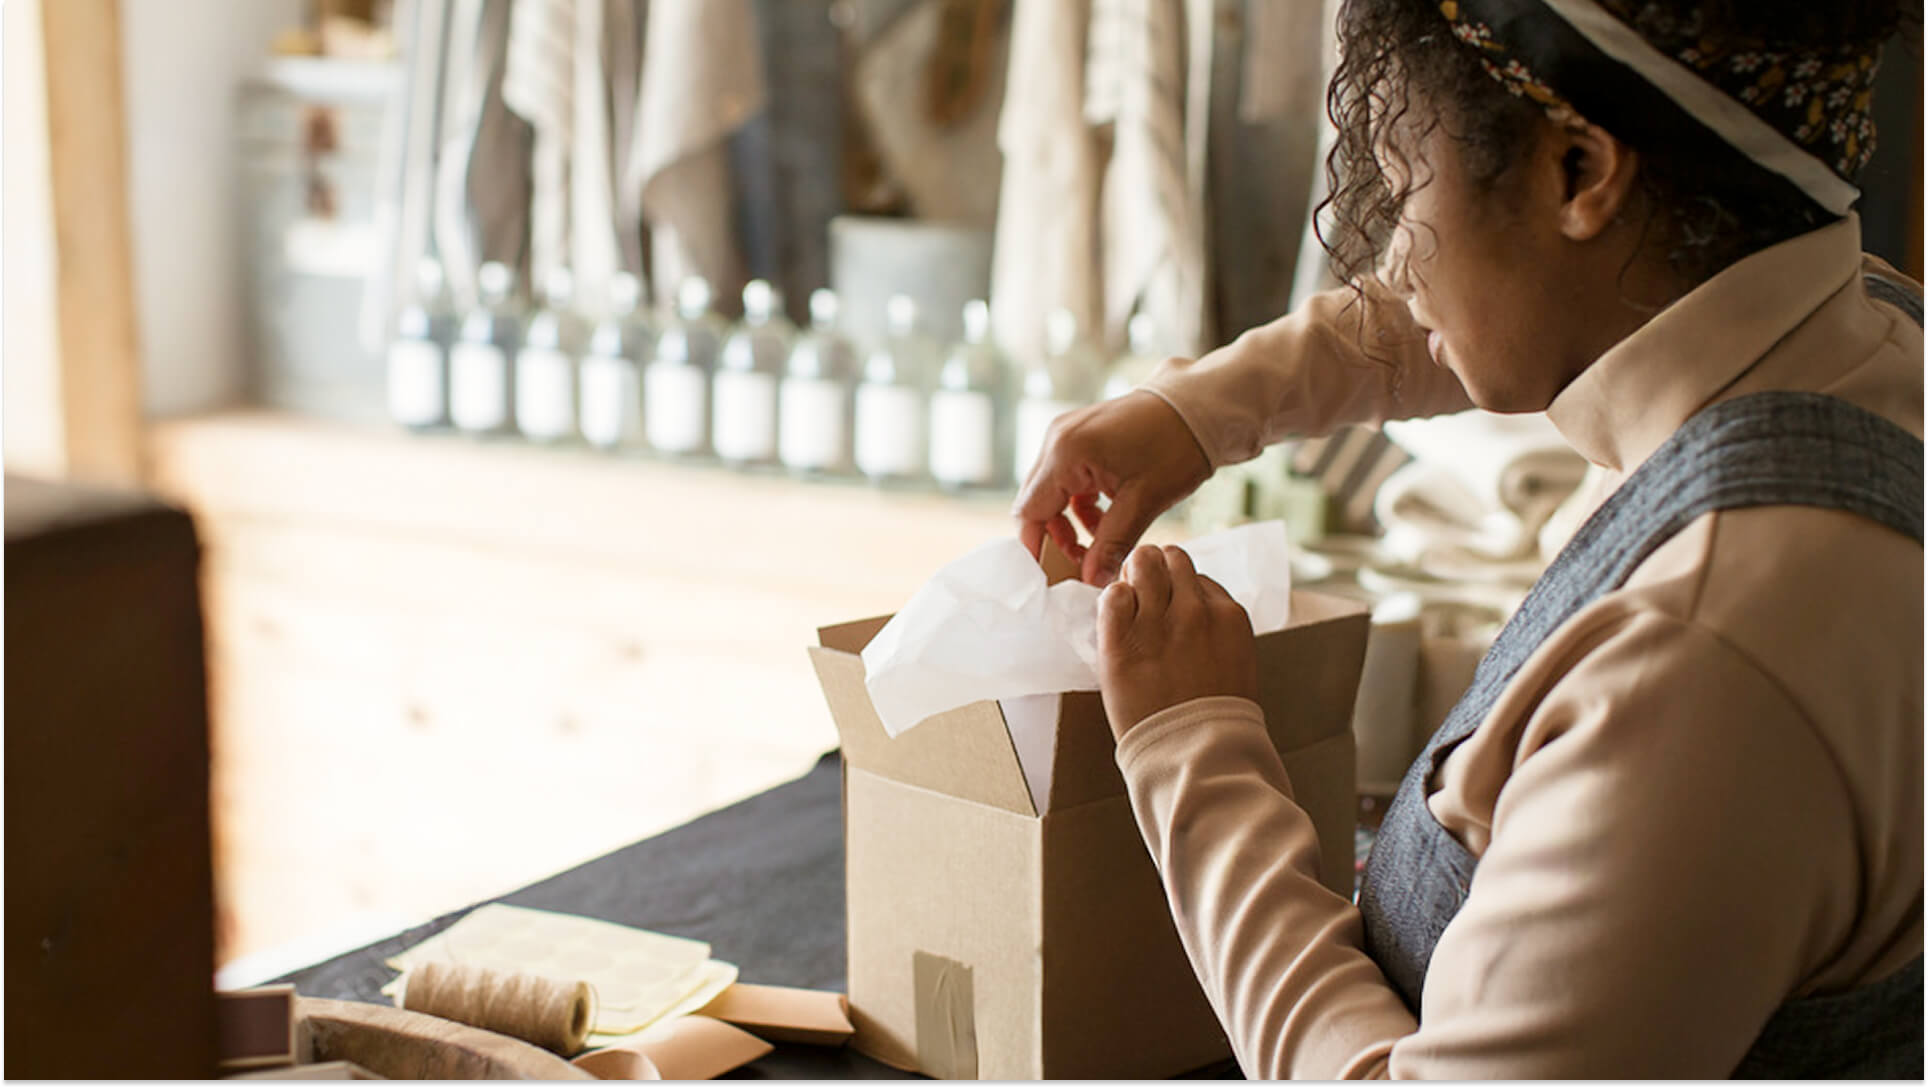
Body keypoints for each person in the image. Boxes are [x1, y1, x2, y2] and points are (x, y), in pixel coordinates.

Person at [1016, 0, 1923, 1077]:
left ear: (1578, 172)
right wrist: (1198, 409)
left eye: (1403, 194)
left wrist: (1192, 748)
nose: (1395, 265)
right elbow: (1496, 307)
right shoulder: (1860, 327)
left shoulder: (1699, 661)